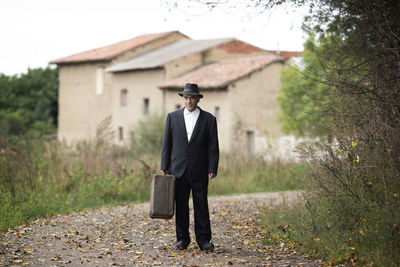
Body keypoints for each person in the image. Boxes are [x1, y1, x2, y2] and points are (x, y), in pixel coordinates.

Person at [160, 83, 219, 252]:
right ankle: (182, 239)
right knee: (181, 206)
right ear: (183, 99)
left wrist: (212, 167)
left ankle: (204, 240)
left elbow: (213, 147)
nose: (189, 101)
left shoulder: (209, 120)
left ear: (198, 99)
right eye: (186, 97)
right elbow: (167, 144)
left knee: (201, 205)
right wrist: (164, 165)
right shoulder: (172, 117)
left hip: (200, 170)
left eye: (192, 97)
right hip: (177, 170)